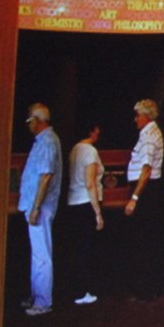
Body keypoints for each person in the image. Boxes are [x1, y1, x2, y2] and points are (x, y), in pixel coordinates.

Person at [18, 103, 63, 316]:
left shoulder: (47, 141)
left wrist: (36, 206)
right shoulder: (43, 141)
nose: (28, 125)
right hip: (36, 206)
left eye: (30, 120)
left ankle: (43, 302)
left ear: (37, 121)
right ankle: (36, 296)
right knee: (38, 254)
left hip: (41, 207)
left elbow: (46, 176)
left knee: (41, 254)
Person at [124, 98, 164, 298]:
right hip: (148, 191)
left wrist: (134, 197)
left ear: (146, 116)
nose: (135, 119)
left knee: (142, 241)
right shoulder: (152, 132)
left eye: (138, 115)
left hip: (145, 192)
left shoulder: (149, 136)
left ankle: (143, 289)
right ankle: (145, 288)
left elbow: (146, 169)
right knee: (145, 240)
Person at [66, 122, 104, 304]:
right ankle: (84, 290)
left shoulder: (75, 149)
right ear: (92, 131)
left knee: (77, 248)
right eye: (96, 129)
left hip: (73, 202)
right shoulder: (90, 151)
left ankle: (77, 288)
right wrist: (97, 212)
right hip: (86, 203)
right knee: (86, 249)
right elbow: (90, 183)